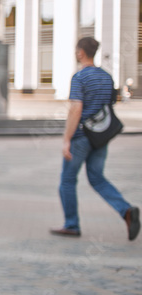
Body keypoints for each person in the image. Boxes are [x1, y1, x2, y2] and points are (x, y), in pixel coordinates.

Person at [51, 36, 139, 240]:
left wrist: (67, 139)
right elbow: (110, 105)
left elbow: (75, 109)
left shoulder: (80, 77)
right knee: (97, 178)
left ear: (81, 52)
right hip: (101, 137)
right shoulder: (107, 77)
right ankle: (126, 211)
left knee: (67, 180)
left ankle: (71, 224)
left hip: (81, 137)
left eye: (76, 50)